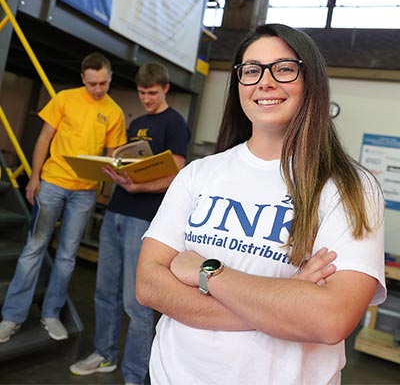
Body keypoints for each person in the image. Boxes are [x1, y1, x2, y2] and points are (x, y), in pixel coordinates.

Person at [135, 24, 386, 385]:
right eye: (251, 70)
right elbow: (149, 284)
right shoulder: (198, 174)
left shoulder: (351, 188)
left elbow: (330, 320)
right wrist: (286, 299)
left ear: (310, 80)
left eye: (283, 68)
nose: (265, 82)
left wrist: (208, 272)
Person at [69, 62, 190, 385]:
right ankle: (105, 354)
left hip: (144, 220)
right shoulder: (137, 122)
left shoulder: (175, 123)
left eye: (152, 93)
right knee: (104, 291)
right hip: (116, 212)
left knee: (136, 301)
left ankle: (135, 375)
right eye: (141, 93)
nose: (146, 99)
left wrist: (138, 187)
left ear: (165, 89)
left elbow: (176, 175)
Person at [0, 52, 127, 343]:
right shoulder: (64, 98)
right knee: (34, 249)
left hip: (84, 192)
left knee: (67, 256)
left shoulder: (115, 112)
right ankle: (11, 318)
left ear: (110, 78)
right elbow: (44, 137)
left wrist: (114, 169)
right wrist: (34, 177)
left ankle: (51, 314)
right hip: (52, 183)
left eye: (103, 83)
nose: (98, 89)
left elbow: (112, 155)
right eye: (93, 83)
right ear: (83, 78)